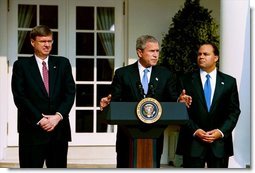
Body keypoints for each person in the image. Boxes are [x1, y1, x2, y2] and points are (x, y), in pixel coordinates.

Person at [100, 35, 191, 168]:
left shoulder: (165, 74)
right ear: (140, 52)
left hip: (154, 134)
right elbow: (115, 98)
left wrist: (179, 101)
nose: (155, 55)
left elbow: (171, 99)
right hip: (127, 135)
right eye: (151, 51)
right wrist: (108, 102)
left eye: (157, 51)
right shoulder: (123, 73)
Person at [11, 25, 75, 168]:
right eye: (43, 41)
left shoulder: (63, 63)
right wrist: (40, 119)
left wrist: (57, 117)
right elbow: (20, 97)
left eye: (50, 41)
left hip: (58, 131)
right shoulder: (21, 66)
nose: (47, 45)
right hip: (32, 132)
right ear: (33, 42)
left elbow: (70, 93)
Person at [176, 43, 241, 168]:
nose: (201, 57)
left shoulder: (229, 82)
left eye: (206, 54)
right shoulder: (185, 80)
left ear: (216, 58)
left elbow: (234, 111)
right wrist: (195, 130)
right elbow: (181, 111)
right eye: (199, 54)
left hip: (219, 145)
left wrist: (221, 131)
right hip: (192, 143)